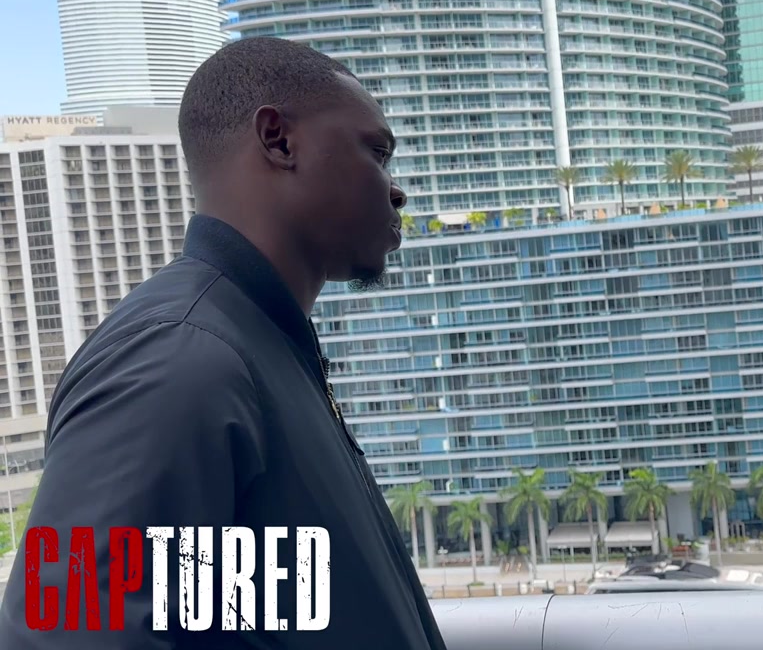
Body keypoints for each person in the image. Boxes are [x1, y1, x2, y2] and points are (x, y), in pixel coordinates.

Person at [0, 37, 448, 648]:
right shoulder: (179, 355)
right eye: (376, 151)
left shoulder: (256, 345)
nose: (396, 190)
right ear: (278, 140)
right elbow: (64, 635)